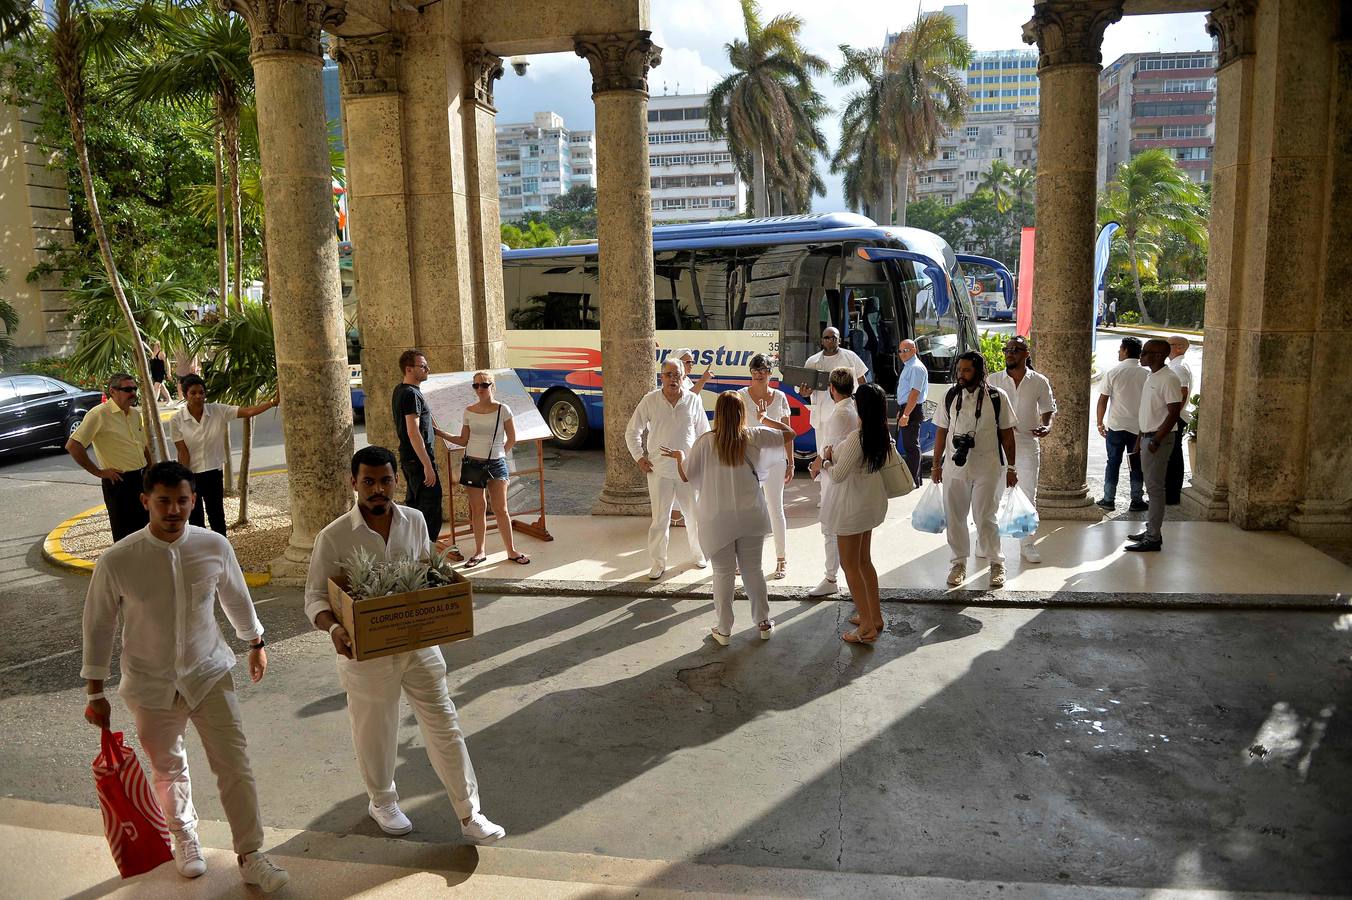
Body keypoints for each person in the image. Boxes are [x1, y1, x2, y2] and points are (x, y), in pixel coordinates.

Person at [81, 462, 289, 892]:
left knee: (235, 765)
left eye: (182, 500)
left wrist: (255, 642)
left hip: (209, 672)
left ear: (194, 500)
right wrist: (94, 690)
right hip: (149, 684)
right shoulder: (119, 559)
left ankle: (250, 854)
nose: (174, 510)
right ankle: (185, 837)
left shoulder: (213, 546)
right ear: (145, 502)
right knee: (168, 769)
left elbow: (235, 594)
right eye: (163, 501)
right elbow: (98, 623)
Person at [304, 446, 505, 843]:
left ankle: (469, 814)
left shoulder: (413, 520)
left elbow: (431, 566)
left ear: (397, 481)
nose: (378, 489)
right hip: (365, 654)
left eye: (385, 481)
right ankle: (382, 801)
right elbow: (314, 597)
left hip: (420, 646)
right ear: (354, 483)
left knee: (445, 725)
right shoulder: (334, 536)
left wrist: (450, 588)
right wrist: (334, 630)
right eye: (368, 482)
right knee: (375, 731)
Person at [663, 393, 794, 644]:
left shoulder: (706, 442)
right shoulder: (754, 435)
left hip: (717, 519)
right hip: (751, 516)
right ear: (742, 412)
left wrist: (680, 457)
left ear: (719, 413)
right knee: (753, 571)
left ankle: (723, 630)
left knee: (722, 574)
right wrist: (768, 420)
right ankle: (763, 623)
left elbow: (687, 477)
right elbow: (790, 434)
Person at [932, 351, 1018, 589]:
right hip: (954, 468)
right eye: (959, 370)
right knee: (955, 518)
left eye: (967, 370)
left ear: (979, 371)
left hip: (987, 467)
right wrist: (936, 464)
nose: (961, 374)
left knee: (985, 517)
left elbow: (1007, 435)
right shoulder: (950, 396)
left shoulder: (996, 397)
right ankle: (958, 563)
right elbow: (941, 430)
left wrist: (1012, 467)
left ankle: (996, 563)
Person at [626, 359, 710, 579]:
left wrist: (700, 462)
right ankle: (658, 563)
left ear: (684, 377)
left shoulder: (693, 400)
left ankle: (699, 554)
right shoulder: (650, 400)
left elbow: (704, 433)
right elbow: (632, 431)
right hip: (659, 471)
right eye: (669, 374)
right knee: (660, 520)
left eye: (678, 375)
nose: (674, 379)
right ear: (661, 377)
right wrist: (639, 457)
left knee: (694, 516)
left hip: (688, 471)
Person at [820, 384, 891, 643]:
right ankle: (874, 617)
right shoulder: (882, 434)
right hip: (869, 503)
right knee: (864, 562)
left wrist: (825, 461)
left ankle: (867, 629)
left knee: (850, 565)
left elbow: (837, 475)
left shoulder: (857, 438)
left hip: (851, 506)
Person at [169, 374, 279, 535]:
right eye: (193, 393)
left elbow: (247, 412)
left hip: (213, 473)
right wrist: (183, 480)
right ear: (186, 395)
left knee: (217, 517)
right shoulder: (177, 420)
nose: (198, 396)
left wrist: (273, 403)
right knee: (195, 519)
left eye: (201, 392)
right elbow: (182, 452)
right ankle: (200, 555)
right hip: (192, 475)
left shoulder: (217, 411)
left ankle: (222, 553)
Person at [443, 371, 528, 568]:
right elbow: (463, 440)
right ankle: (480, 551)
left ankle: (511, 550)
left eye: (484, 384)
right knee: (478, 509)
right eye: (476, 385)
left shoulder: (502, 409)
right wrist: (440, 433)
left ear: (493, 386)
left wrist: (500, 455)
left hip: (496, 463)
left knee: (501, 509)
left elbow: (512, 438)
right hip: (472, 463)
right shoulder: (469, 411)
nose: (480, 389)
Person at [987, 336, 1056, 563]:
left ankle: (1027, 544)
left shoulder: (1039, 381)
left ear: (1027, 354)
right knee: (993, 495)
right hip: (996, 445)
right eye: (1007, 349)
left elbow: (1048, 408)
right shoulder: (993, 380)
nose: (1010, 353)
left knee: (1027, 495)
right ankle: (987, 542)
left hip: (1027, 444)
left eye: (1016, 350)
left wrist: (1046, 425)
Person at [66, 373, 152, 542]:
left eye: (134, 389)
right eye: (127, 389)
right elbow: (73, 445)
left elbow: (143, 445)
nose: (133, 393)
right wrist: (99, 472)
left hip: (142, 479)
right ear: (113, 392)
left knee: (147, 530)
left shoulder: (135, 414)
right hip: (119, 482)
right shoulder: (99, 414)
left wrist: (151, 468)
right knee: (125, 536)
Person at [392, 350, 461, 559]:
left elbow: (423, 425)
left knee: (415, 506)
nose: (427, 369)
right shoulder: (411, 394)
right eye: (423, 366)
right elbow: (413, 432)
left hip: (412, 459)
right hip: (418, 460)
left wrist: (445, 435)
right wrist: (427, 466)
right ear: (409, 369)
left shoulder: (402, 390)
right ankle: (426, 554)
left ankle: (414, 550)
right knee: (430, 507)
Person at [737, 354, 794, 579]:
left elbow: (787, 433)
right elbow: (736, 428)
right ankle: (744, 559)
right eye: (756, 370)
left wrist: (790, 462)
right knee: (747, 510)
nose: (760, 374)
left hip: (775, 458)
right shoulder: (740, 396)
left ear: (770, 373)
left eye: (764, 370)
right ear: (751, 372)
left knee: (775, 508)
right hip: (749, 459)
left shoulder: (780, 397)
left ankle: (781, 559)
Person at [807, 367, 860, 598]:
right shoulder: (851, 408)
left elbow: (827, 450)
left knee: (829, 530)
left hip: (835, 479)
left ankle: (831, 578)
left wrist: (815, 466)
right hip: (845, 477)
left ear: (831, 388)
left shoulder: (840, 414)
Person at [1128, 340, 1183, 552]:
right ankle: (1151, 529)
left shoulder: (1168, 379)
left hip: (1157, 440)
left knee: (1155, 489)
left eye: (1146, 352)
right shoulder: (1153, 376)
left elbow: (1173, 412)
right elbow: (1149, 411)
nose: (1141, 356)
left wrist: (1156, 440)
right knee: (1151, 486)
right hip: (1147, 437)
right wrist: (1140, 437)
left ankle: (1153, 537)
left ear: (1159, 355)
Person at [1095, 337, 1150, 512]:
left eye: (1120, 349)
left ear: (1125, 350)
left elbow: (1102, 400)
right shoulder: (1146, 374)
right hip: (1139, 428)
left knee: (1113, 462)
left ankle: (1108, 499)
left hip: (1116, 425)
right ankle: (1136, 499)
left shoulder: (1113, 372)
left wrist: (1099, 422)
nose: (1118, 352)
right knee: (1136, 464)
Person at [798, 327, 867, 442]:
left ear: (839, 340)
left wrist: (863, 404)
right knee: (823, 451)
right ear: (822, 341)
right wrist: (804, 393)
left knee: (846, 450)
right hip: (822, 417)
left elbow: (862, 381)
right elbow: (804, 391)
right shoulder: (812, 361)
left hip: (848, 413)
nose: (830, 340)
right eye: (827, 338)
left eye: (834, 337)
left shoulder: (851, 357)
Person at [894, 339, 928, 486]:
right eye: (900, 351)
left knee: (911, 446)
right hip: (907, 407)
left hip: (912, 409)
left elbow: (915, 393)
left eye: (906, 350)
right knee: (910, 445)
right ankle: (915, 479)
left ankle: (912, 480)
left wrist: (906, 414)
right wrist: (902, 411)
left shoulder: (915, 367)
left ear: (914, 350)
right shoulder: (909, 366)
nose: (902, 354)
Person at [1165, 335, 1194, 505]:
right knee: (1172, 454)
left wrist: (1172, 415)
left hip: (1176, 416)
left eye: (1169, 345)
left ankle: (1172, 494)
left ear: (1179, 348)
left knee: (1173, 455)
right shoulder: (1176, 365)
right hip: (1176, 415)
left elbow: (1183, 392)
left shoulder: (1179, 367)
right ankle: (1170, 492)